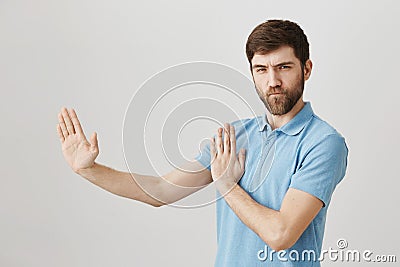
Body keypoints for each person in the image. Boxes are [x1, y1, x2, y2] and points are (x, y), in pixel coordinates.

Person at [57, 19, 348, 266]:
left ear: (306, 69)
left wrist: (226, 185)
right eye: (261, 69)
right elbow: (160, 191)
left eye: (284, 67)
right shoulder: (233, 137)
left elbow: (281, 235)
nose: (272, 80)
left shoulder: (323, 143)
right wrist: (89, 170)